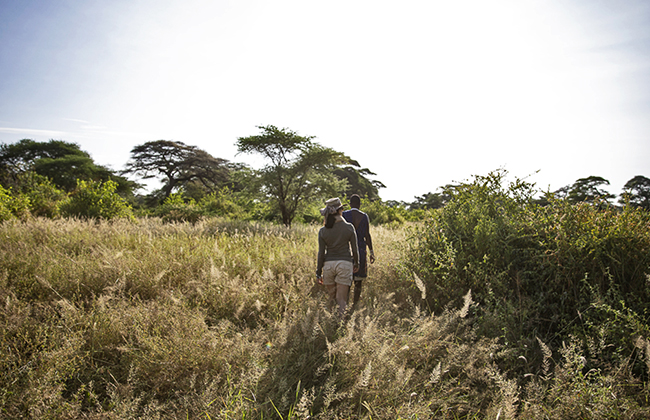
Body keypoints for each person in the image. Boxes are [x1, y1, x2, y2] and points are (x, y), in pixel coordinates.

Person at [316, 197, 359, 320]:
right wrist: (356, 263)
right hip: (345, 264)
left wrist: (318, 272)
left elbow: (321, 253)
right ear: (341, 210)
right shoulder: (349, 227)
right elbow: (355, 250)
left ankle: (330, 322)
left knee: (331, 298)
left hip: (328, 265)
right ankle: (340, 326)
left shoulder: (323, 231)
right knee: (341, 300)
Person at [342, 194, 375, 307]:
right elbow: (367, 235)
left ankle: (344, 305)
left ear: (350, 204)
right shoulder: (364, 216)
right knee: (358, 281)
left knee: (347, 281)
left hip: (347, 251)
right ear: (360, 205)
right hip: (361, 250)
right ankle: (354, 305)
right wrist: (371, 252)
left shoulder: (344, 215)